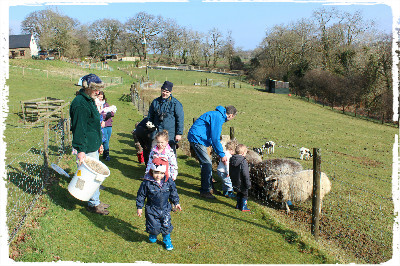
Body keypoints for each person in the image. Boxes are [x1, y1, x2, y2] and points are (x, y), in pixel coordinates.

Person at [70, 73, 110, 215]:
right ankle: (93, 204)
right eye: (95, 89)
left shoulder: (89, 100)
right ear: (86, 87)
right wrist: (80, 150)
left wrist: (99, 143)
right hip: (85, 147)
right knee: (90, 176)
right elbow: (79, 129)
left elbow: (93, 125)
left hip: (92, 145)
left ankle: (95, 201)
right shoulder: (80, 104)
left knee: (94, 175)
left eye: (99, 89)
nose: (98, 92)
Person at [187, 105, 237, 199]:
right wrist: (222, 154)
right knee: (207, 164)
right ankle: (205, 191)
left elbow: (211, 135)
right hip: (197, 138)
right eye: (232, 118)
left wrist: (217, 150)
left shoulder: (217, 115)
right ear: (230, 115)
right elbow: (215, 138)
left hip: (199, 138)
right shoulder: (218, 117)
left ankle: (210, 188)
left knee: (206, 164)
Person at [136, 157, 182, 250]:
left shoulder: (169, 182)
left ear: (165, 173)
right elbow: (141, 195)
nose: (158, 175)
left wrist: (176, 202)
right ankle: (153, 233)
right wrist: (139, 207)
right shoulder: (147, 183)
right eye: (156, 172)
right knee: (154, 226)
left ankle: (167, 240)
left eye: (161, 173)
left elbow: (173, 192)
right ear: (152, 171)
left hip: (165, 209)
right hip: (152, 209)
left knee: (166, 225)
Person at [147, 81, 184, 155]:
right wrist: (151, 130)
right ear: (161, 90)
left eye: (167, 92)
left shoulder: (176, 104)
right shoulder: (155, 102)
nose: (165, 93)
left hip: (170, 133)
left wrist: (179, 134)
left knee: (170, 153)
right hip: (157, 132)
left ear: (170, 92)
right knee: (155, 152)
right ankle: (154, 165)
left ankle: (171, 167)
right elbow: (150, 117)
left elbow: (180, 119)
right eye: (163, 91)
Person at [229, 144, 251, 212]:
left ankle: (238, 205)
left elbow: (230, 169)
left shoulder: (232, 159)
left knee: (238, 192)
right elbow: (245, 173)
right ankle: (244, 207)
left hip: (235, 180)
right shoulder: (243, 161)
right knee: (244, 194)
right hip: (242, 181)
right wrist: (248, 183)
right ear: (243, 153)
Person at [97, 91, 115, 161]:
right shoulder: (97, 105)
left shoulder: (106, 104)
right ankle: (107, 155)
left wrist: (110, 114)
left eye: (102, 97)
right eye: (99, 97)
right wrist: (105, 116)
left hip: (109, 124)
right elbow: (99, 114)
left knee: (108, 140)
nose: (101, 99)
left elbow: (112, 112)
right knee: (105, 140)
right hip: (102, 124)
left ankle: (104, 154)